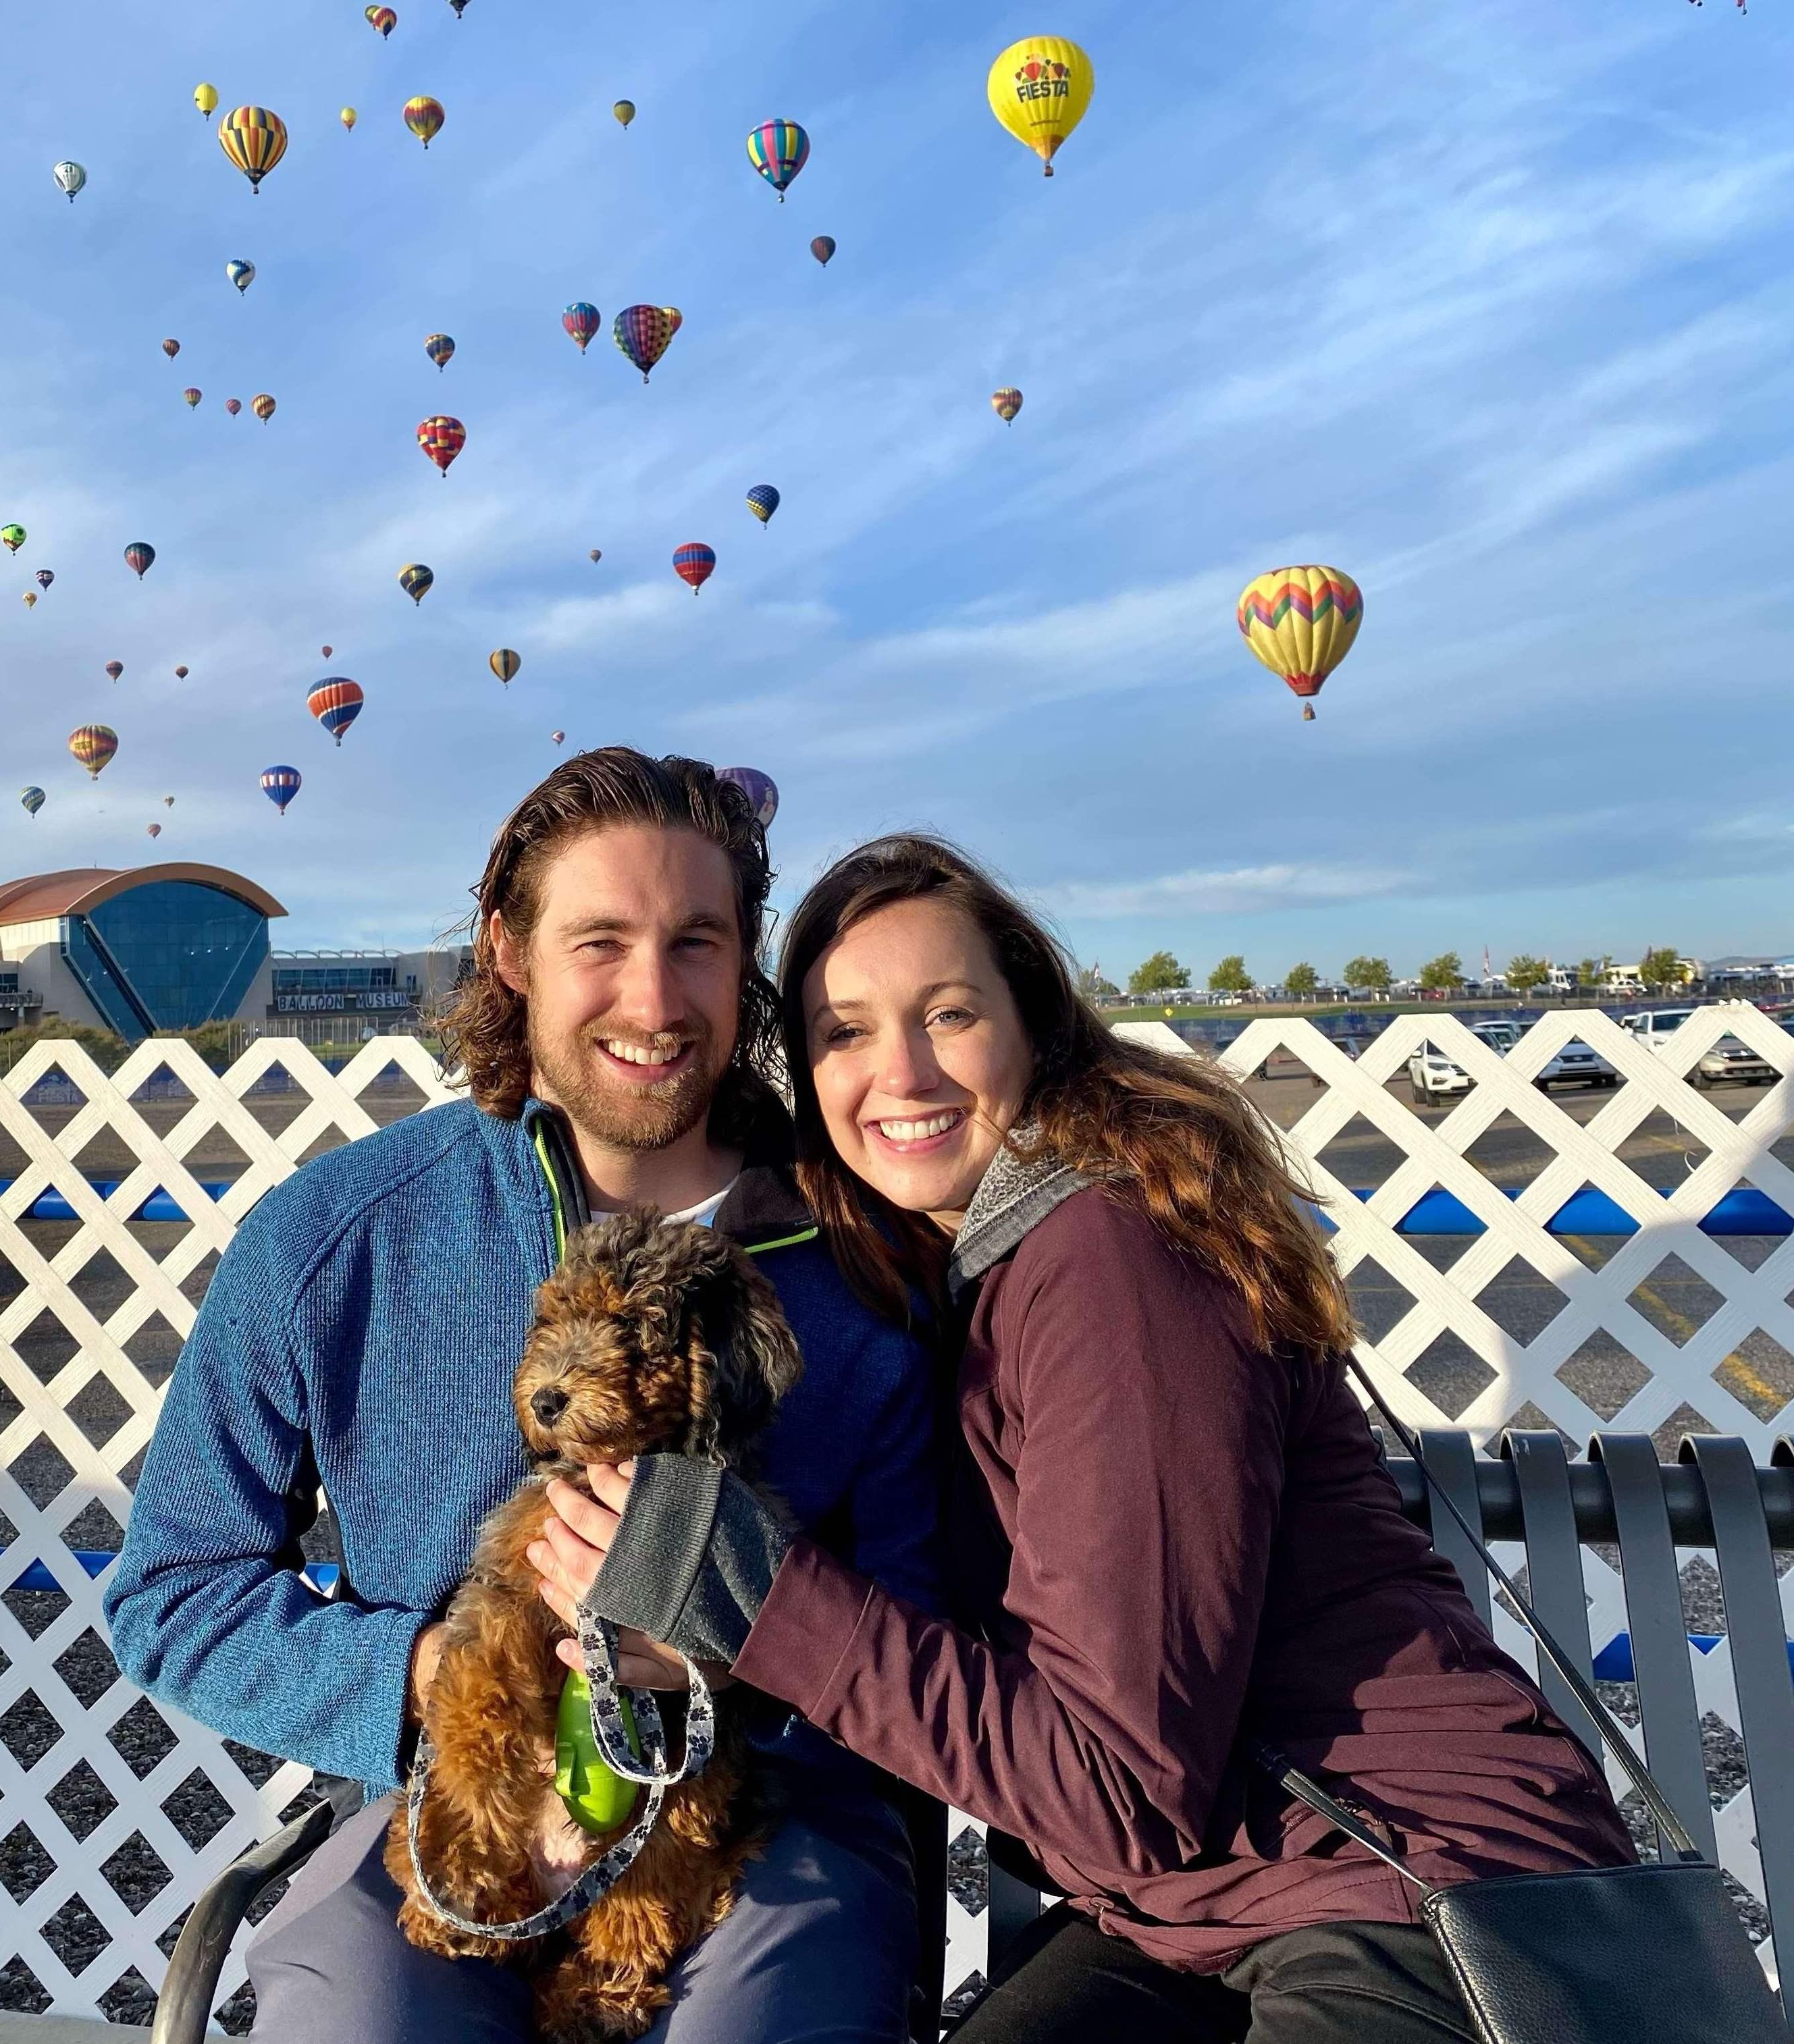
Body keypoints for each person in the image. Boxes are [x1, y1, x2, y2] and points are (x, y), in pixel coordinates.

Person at [528, 833, 1637, 2044]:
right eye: (843, 1033)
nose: (897, 1072)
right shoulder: (989, 1273)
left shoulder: (1118, 1264)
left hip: (1420, 1894)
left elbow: (1118, 1788)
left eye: (946, 1015)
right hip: (1208, 1907)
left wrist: (748, 1589)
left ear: (1034, 1028)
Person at [105, 757, 939, 2044]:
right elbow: (174, 1588)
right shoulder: (332, 1241)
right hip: (432, 1807)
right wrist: (432, 1676)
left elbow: (945, 1611)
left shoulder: (872, 1264)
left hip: (771, 1826)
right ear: (508, 950)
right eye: (599, 941)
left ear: (746, 960)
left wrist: (760, 1658)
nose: (654, 999)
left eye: (696, 943)